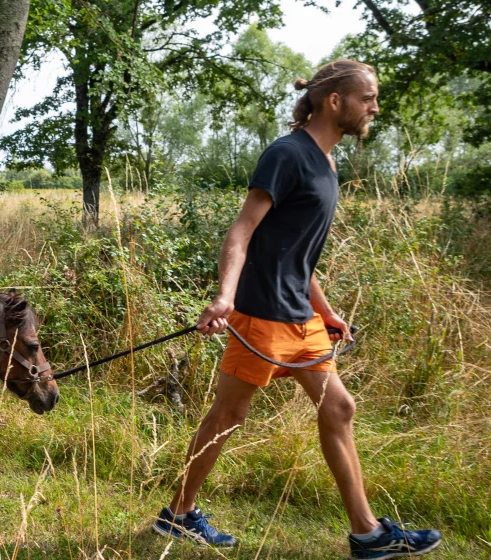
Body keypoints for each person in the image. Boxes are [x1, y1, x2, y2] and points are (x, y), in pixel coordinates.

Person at [154, 59, 442, 559]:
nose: (374, 107)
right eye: (367, 98)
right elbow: (242, 231)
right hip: (261, 314)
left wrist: (325, 309)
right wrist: (225, 297)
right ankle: (177, 514)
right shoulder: (287, 154)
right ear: (336, 102)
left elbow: (295, 252)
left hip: (300, 315)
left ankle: (367, 534)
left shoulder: (327, 162)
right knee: (228, 415)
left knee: (339, 407)